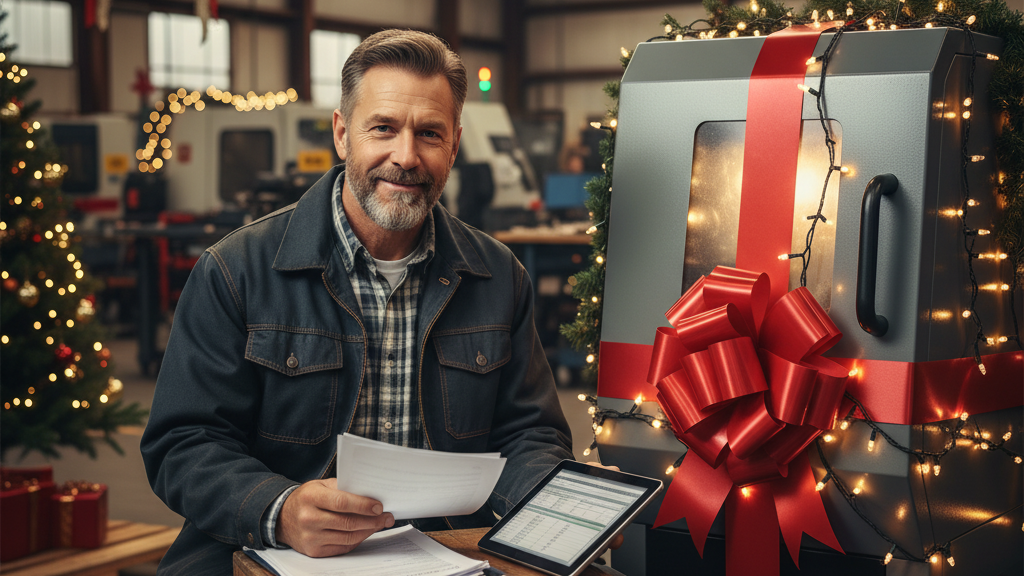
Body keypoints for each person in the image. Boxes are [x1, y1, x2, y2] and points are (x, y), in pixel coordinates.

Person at [141, 30, 575, 575]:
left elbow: (530, 434)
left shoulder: (497, 277)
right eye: (384, 129)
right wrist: (280, 508)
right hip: (265, 553)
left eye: (430, 134)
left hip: (446, 554)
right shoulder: (236, 272)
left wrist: (555, 512)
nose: (406, 156)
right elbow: (181, 443)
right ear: (343, 135)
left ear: (455, 146)